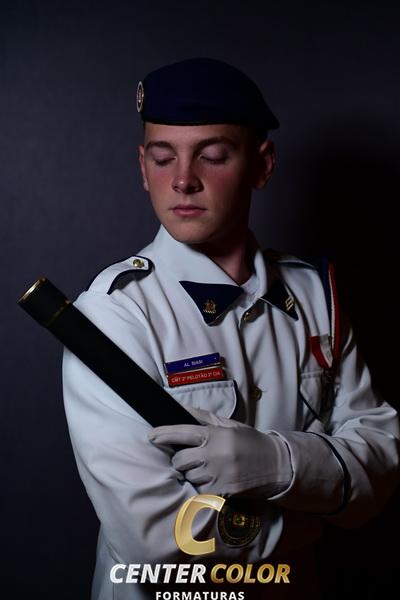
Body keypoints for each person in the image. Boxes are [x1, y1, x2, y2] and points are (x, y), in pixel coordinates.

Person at [62, 58, 400, 600]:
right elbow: (158, 543)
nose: (183, 179)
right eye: (163, 157)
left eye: (213, 155)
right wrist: (314, 504)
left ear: (262, 165)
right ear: (143, 167)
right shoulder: (114, 315)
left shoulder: (316, 294)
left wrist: (278, 463)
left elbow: (381, 464)